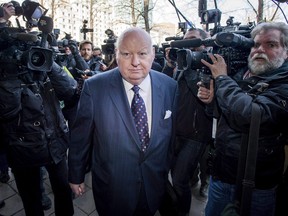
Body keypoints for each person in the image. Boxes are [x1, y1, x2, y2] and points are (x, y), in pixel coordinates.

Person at [68, 27, 178, 216]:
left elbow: (171, 138)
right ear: (116, 54)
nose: (135, 62)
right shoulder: (94, 88)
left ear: (153, 53)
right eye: (126, 54)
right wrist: (76, 175)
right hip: (113, 189)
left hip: (153, 186)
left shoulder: (170, 86)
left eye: (142, 53)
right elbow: (80, 138)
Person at [198, 22, 288, 216]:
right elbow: (227, 116)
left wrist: (222, 80)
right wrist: (212, 101)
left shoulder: (284, 84)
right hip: (222, 176)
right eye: (255, 45)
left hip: (257, 184)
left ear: (286, 52)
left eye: (271, 45)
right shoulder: (239, 74)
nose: (259, 50)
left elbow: (251, 116)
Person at [0, 13, 76, 215]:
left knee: (63, 193)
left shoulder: (44, 64)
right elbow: (7, 112)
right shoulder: (6, 72)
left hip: (56, 142)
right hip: (22, 149)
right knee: (32, 201)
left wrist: (49, 62)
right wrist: (11, 75)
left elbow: (70, 90)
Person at [167, 27, 213, 216]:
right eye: (185, 40)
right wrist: (170, 64)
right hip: (175, 130)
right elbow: (166, 86)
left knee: (179, 180)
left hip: (196, 135)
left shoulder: (211, 64)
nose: (188, 45)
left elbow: (203, 95)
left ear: (203, 44)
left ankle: (182, 212)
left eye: (192, 40)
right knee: (173, 177)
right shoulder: (181, 63)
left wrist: (189, 66)